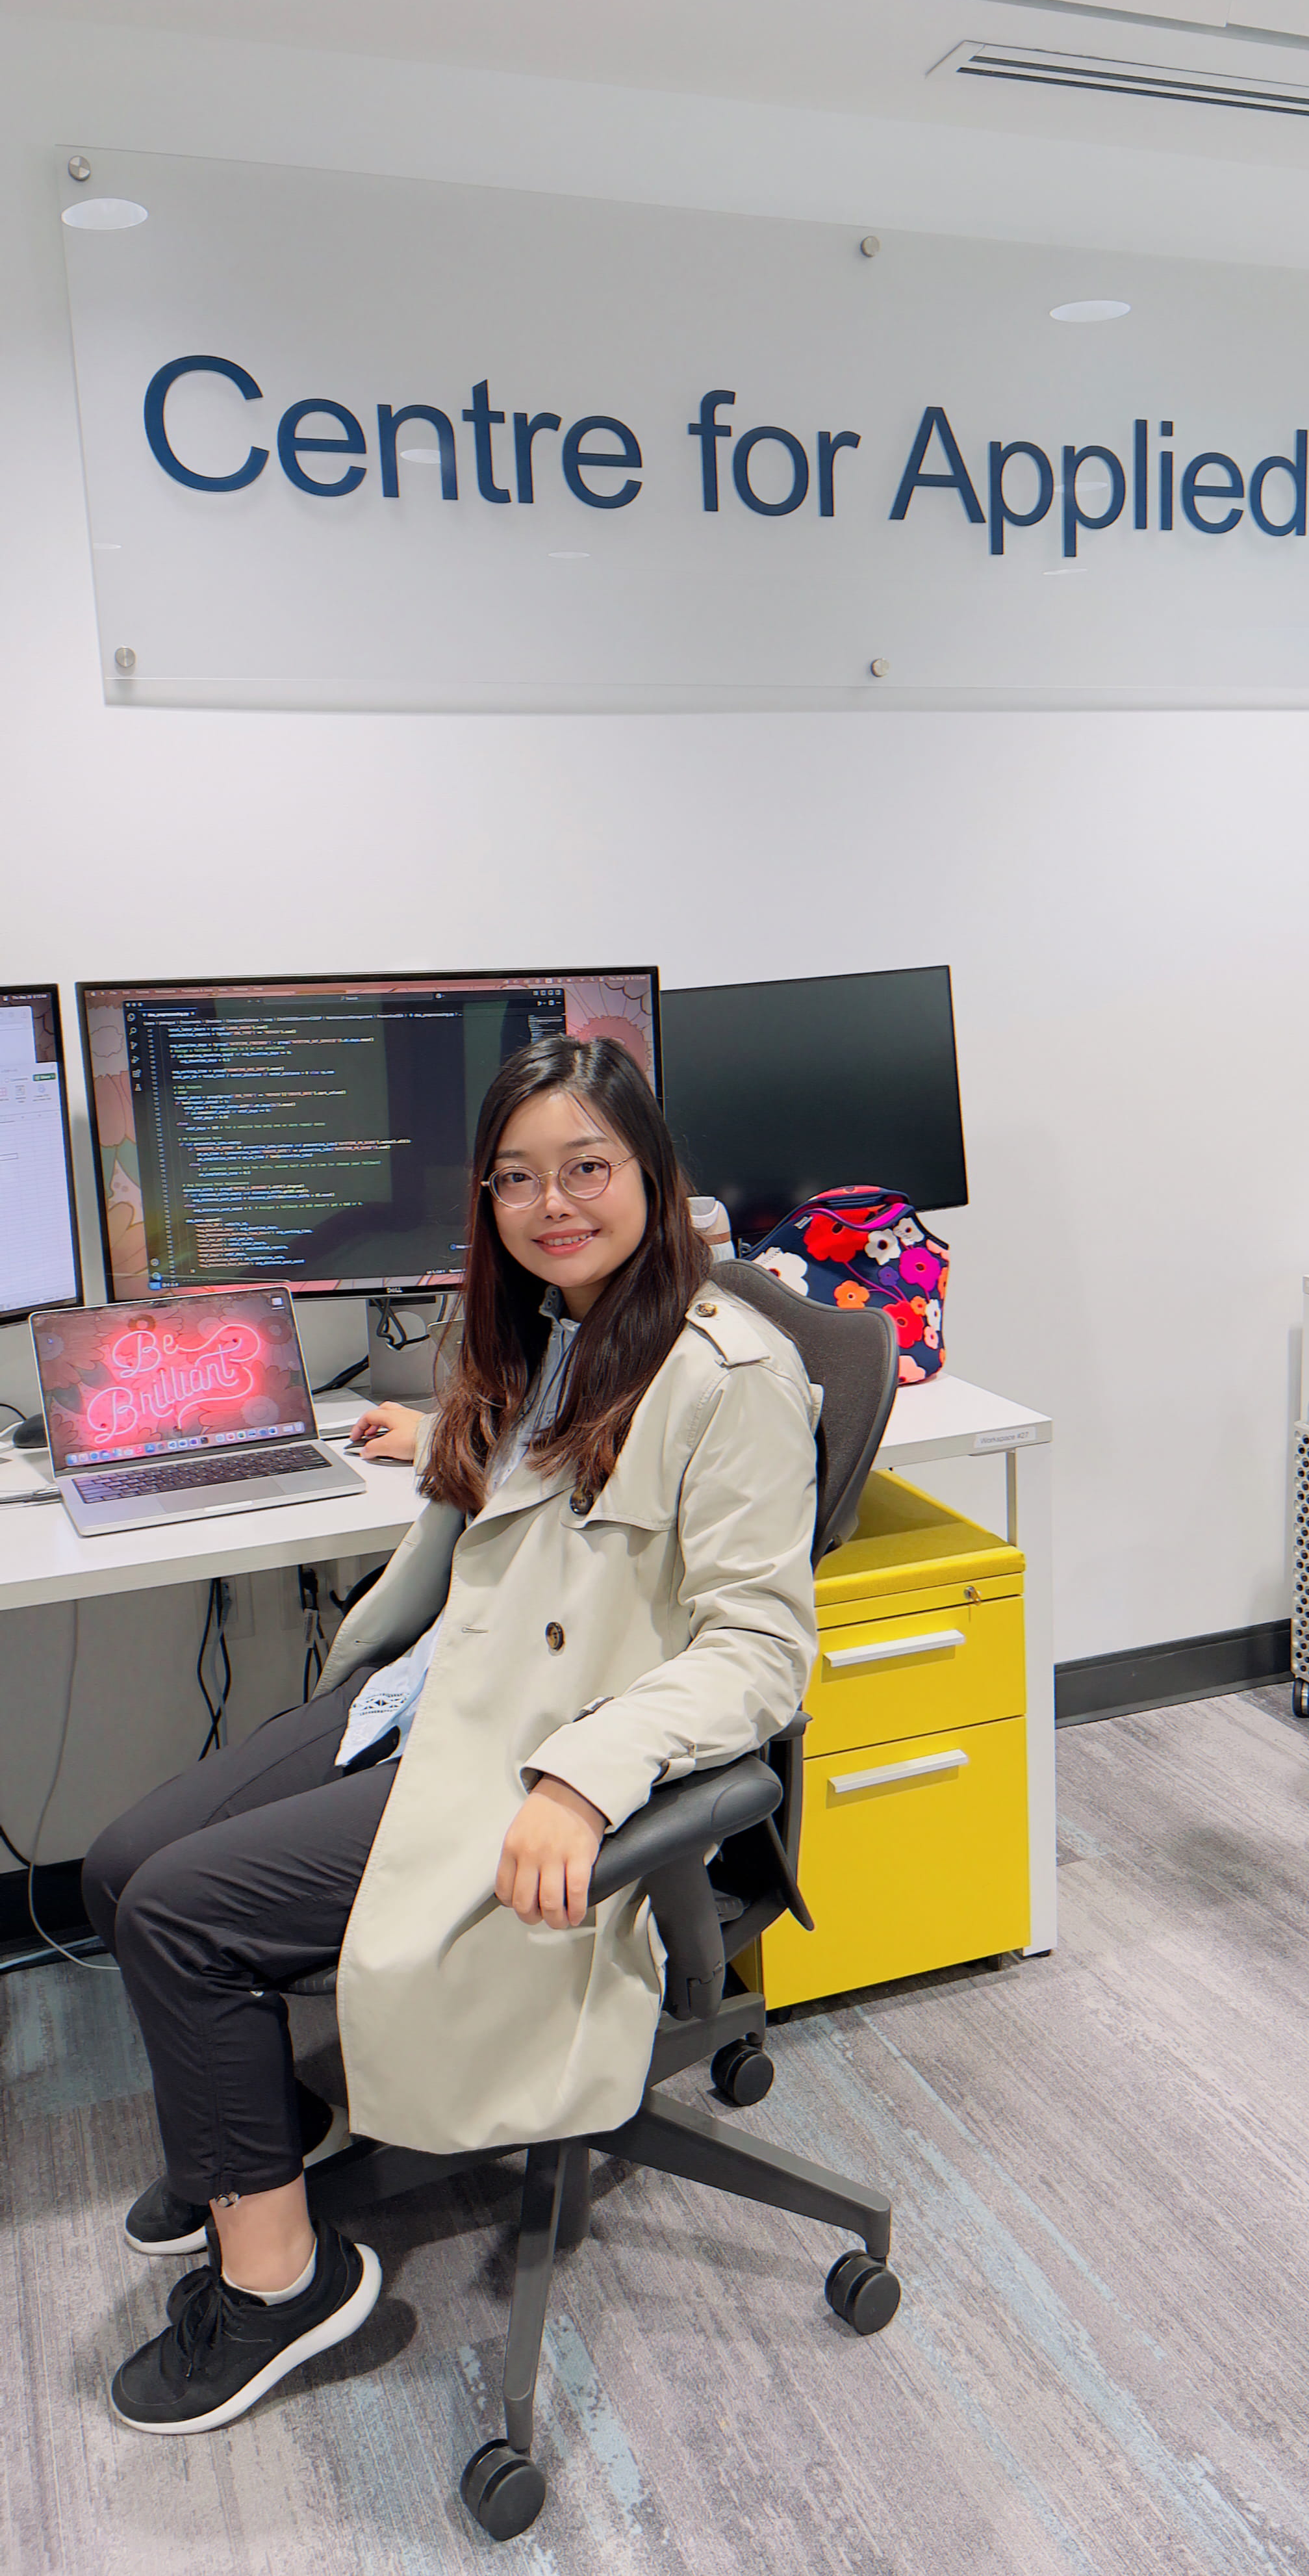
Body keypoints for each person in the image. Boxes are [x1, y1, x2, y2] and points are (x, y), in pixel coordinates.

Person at [83, 1036, 820, 2436]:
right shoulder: (549, 1330)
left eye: (587, 1170)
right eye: (518, 1179)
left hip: (538, 1749)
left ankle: (284, 2287)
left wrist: (586, 1778)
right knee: (121, 1868)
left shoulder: (734, 1377)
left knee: (182, 1921)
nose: (555, 1204)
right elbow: (550, 1491)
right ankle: (258, 2135)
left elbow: (762, 1653)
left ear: (650, 1176)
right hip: (436, 1696)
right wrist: (436, 1435)